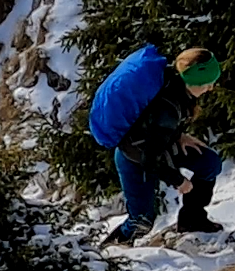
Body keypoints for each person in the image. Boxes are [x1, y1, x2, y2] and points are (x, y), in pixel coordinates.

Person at [88, 45, 223, 243]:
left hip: (157, 147)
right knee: (141, 221)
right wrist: (178, 180)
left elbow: (154, 126)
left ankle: (192, 220)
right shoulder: (167, 109)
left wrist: (178, 136)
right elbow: (149, 158)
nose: (210, 88)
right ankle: (110, 254)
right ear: (194, 80)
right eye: (207, 83)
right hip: (134, 157)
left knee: (209, 163)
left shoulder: (173, 85)